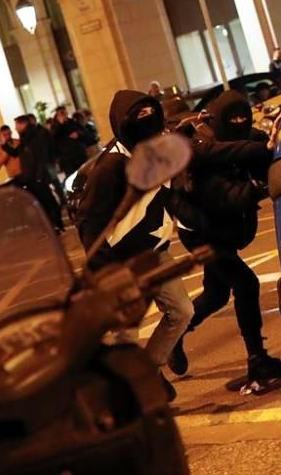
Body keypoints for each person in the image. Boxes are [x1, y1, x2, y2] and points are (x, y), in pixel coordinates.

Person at [76, 89, 199, 401]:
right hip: (119, 264)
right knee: (124, 336)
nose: (148, 123)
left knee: (182, 312)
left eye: (150, 115)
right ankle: (127, 399)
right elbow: (91, 226)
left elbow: (170, 194)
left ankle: (150, 371)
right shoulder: (110, 168)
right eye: (138, 117)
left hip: (155, 253)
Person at [168, 90, 281, 386]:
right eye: (232, 118)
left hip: (221, 228)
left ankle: (174, 336)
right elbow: (228, 197)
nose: (239, 123)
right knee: (245, 283)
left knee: (216, 294)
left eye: (243, 117)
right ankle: (257, 360)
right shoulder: (200, 150)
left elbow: (261, 147)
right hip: (201, 233)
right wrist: (261, 185)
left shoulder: (241, 136)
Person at [1, 114, 64, 231]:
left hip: (37, 176)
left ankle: (57, 223)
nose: (15, 128)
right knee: (40, 202)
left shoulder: (36, 136)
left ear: (24, 124)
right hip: (30, 176)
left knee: (48, 200)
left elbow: (41, 157)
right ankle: (51, 225)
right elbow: (16, 153)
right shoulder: (25, 138)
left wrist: (39, 176)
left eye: (17, 125)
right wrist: (4, 145)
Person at [52, 106, 90, 177]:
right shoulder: (55, 126)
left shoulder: (73, 122)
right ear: (57, 115)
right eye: (61, 114)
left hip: (79, 155)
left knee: (85, 174)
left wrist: (78, 134)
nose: (64, 115)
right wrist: (61, 124)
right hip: (67, 159)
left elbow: (85, 133)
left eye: (64, 113)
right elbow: (54, 139)